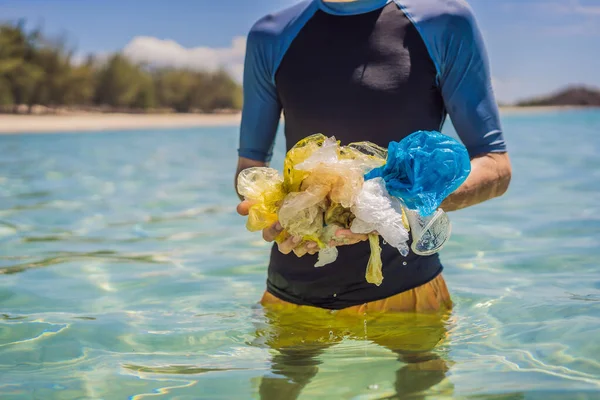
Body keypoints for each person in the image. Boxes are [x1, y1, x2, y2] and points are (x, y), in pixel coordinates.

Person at [235, 0, 512, 397]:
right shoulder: (271, 34)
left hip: (410, 294)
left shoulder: (444, 22)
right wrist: (274, 210)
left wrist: (393, 203)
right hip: (293, 293)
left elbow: (495, 166)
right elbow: (249, 169)